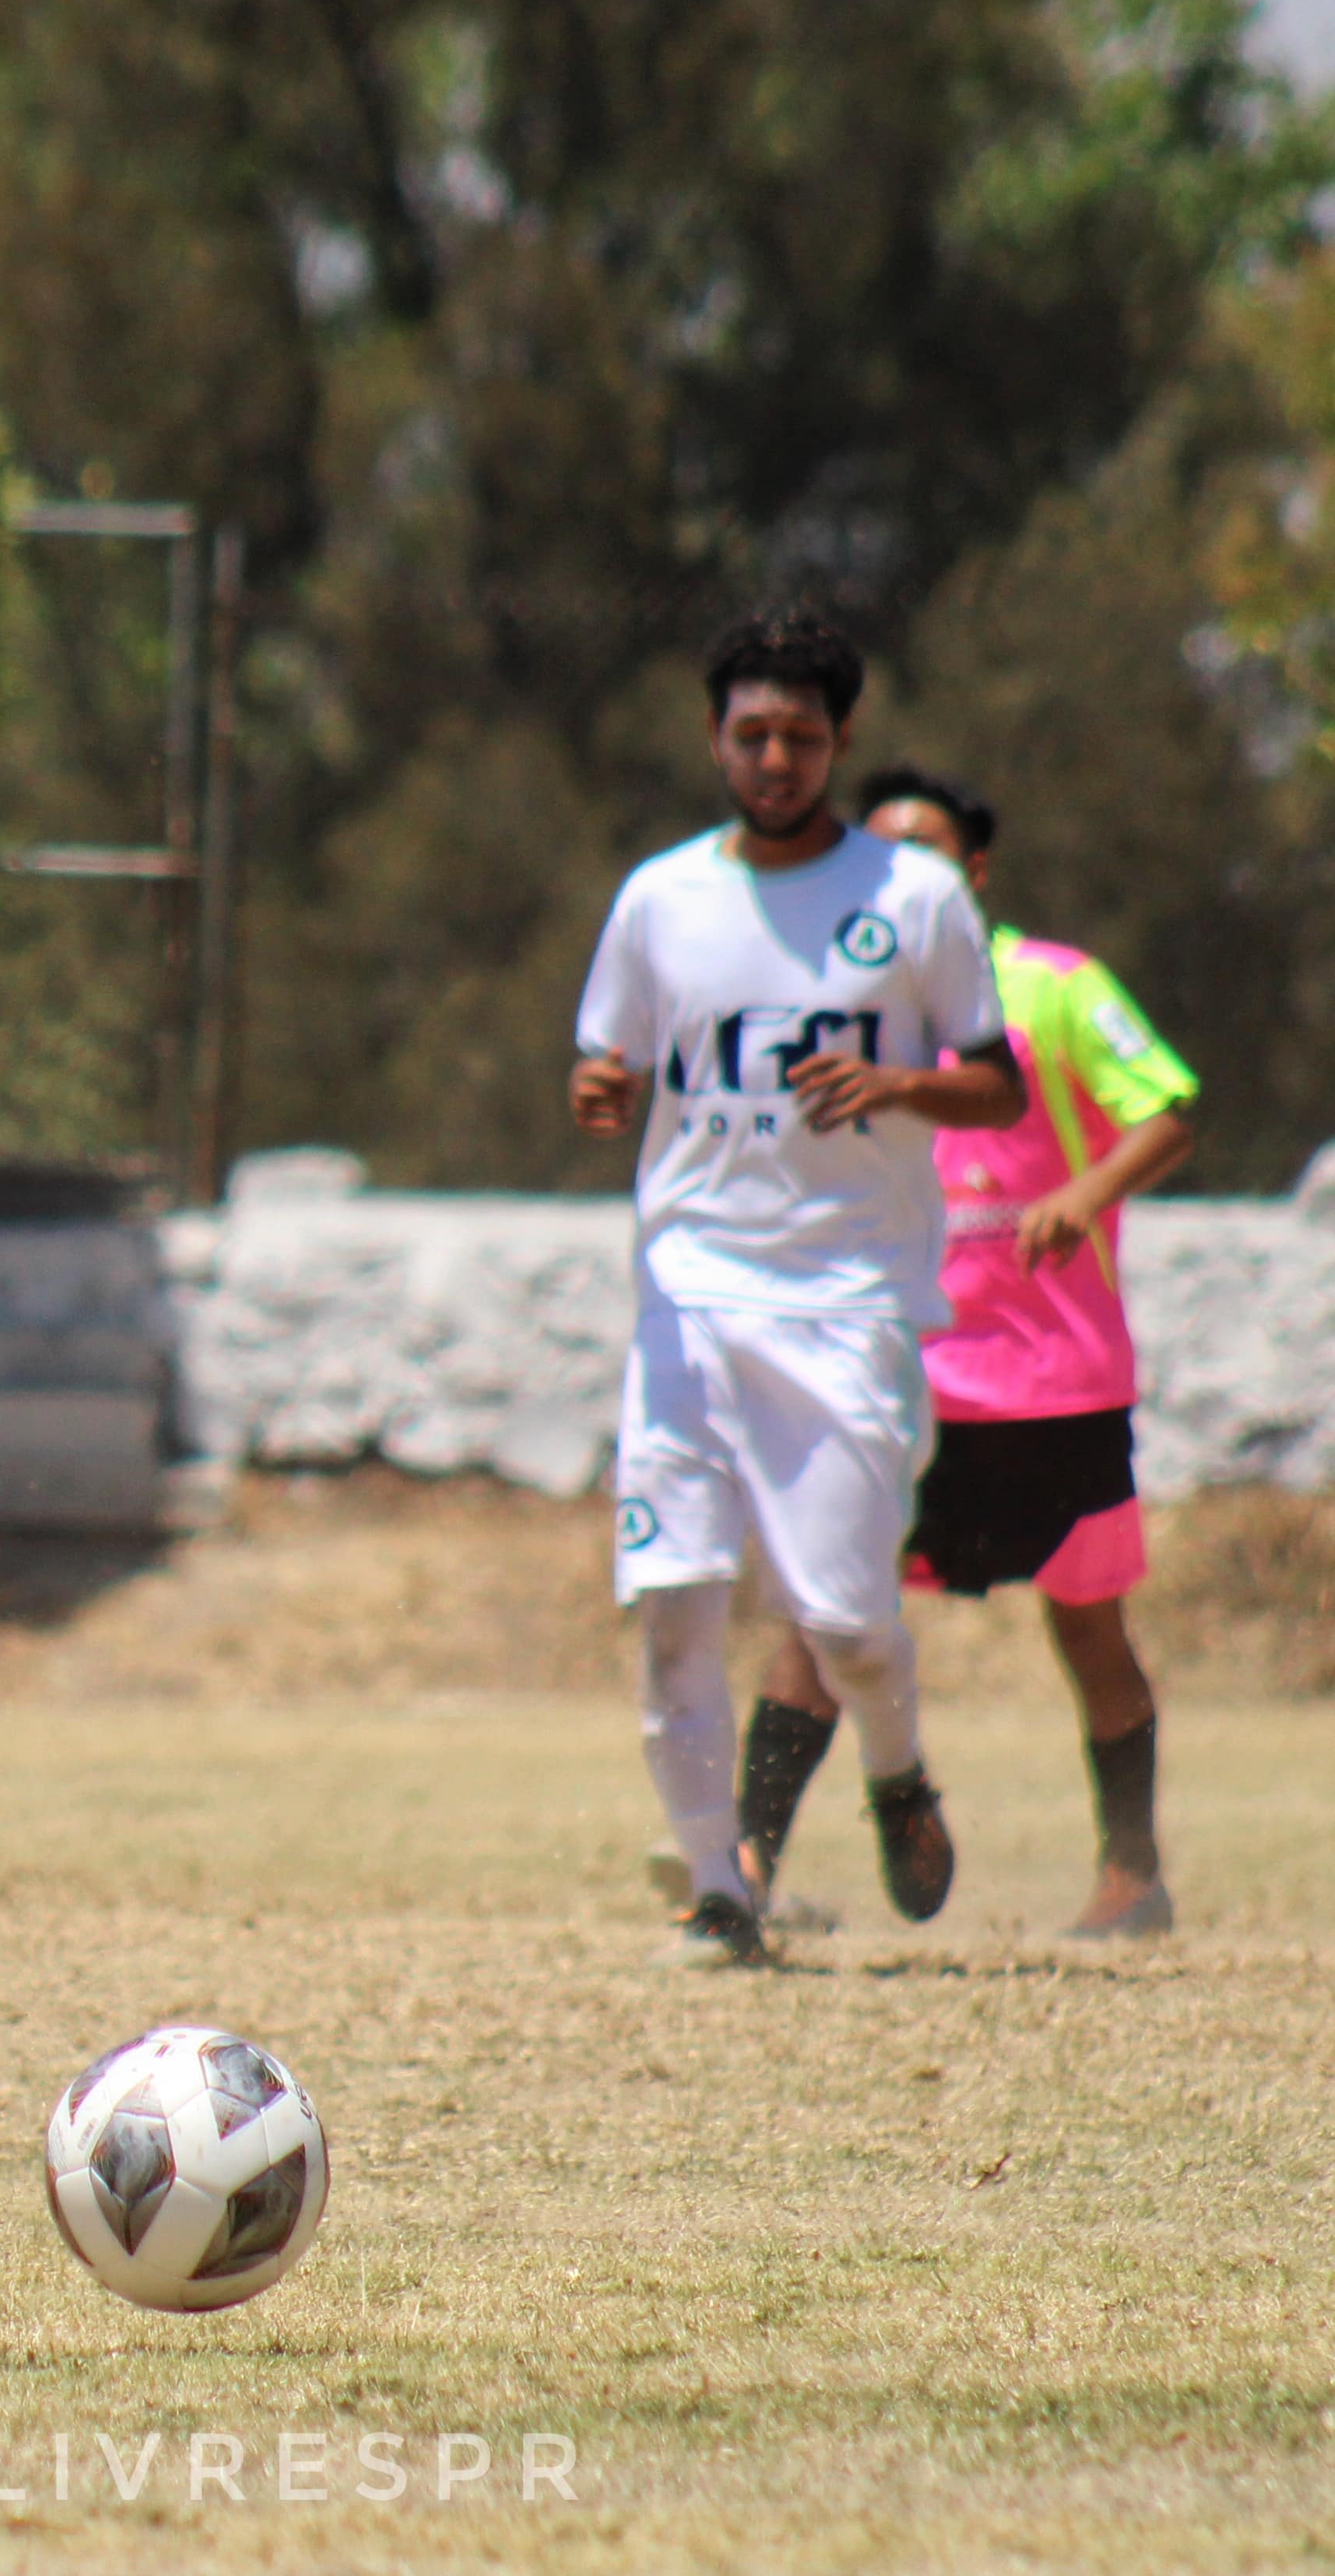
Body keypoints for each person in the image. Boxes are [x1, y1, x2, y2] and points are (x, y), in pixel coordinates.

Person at [572, 608, 1026, 1969]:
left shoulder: (912, 897)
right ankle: (720, 1889)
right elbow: (610, 1061)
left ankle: (896, 1768)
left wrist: (895, 1082)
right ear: (714, 737)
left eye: (800, 735)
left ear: (838, 743)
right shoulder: (660, 897)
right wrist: (599, 1091)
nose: (773, 757)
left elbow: (996, 1079)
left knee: (841, 1624)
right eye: (750, 732)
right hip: (688, 1298)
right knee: (675, 1605)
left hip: (845, 1303)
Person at [720, 767, 1195, 1941]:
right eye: (874, 860)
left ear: (974, 871)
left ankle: (1129, 1876)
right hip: (896, 1375)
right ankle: (739, 1874)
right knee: (819, 1619)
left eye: (923, 855)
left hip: (1052, 1380)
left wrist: (1082, 1194)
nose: (896, 881)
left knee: (1088, 1625)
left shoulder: (1052, 985)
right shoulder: (838, 1005)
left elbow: (1171, 1104)